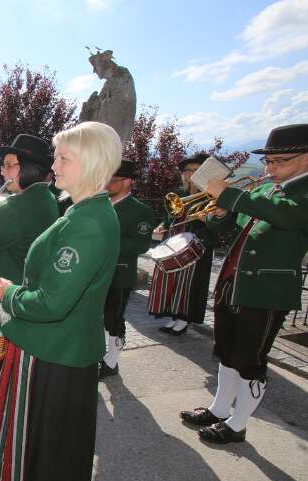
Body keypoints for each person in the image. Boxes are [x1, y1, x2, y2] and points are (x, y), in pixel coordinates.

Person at [0, 121, 121, 481]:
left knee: (42, 437)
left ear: (90, 163)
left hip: (54, 348)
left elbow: (52, 302)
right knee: (47, 439)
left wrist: (8, 296)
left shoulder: (89, 220)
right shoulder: (81, 210)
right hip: (55, 346)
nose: (53, 167)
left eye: (63, 159)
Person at [181, 123, 308, 444]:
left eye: (281, 161)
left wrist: (231, 194)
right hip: (233, 282)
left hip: (267, 290)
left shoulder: (301, 195)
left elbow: (287, 216)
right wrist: (220, 213)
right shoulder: (265, 189)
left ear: (306, 159)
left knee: (250, 360)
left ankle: (238, 424)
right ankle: (220, 408)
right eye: (268, 161)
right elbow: (238, 223)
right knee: (225, 351)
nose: (271, 168)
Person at [0, 134, 58, 432]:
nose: (3, 173)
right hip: (17, 286)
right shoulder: (44, 200)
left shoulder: (14, 207)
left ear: (28, 168)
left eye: (9, 165)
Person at [148, 152, 216, 335]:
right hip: (173, 241)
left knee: (186, 283)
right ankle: (173, 316)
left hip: (194, 245)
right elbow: (168, 218)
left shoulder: (211, 196)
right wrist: (162, 226)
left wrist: (205, 219)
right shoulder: (178, 194)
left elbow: (217, 227)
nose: (191, 173)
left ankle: (184, 319)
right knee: (169, 279)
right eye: (188, 170)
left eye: (196, 170)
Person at [100, 160, 155, 378]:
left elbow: (140, 244)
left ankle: (111, 362)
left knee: (114, 318)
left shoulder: (140, 210)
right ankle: (97, 354)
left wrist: (103, 244)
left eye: (113, 180)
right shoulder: (100, 203)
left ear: (129, 182)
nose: (107, 184)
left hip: (119, 273)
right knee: (96, 317)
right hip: (95, 272)